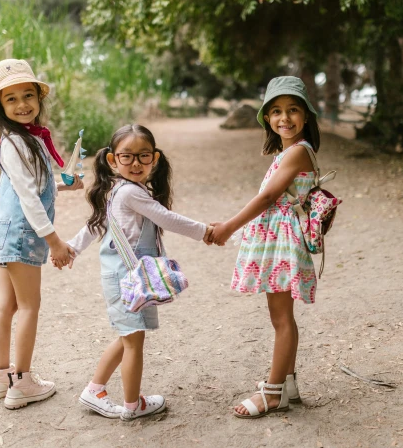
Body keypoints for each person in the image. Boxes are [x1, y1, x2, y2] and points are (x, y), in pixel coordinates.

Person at [66, 124, 213, 421]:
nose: (135, 163)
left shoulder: (120, 191)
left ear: (154, 158)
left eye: (143, 156)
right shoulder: (129, 193)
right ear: (112, 160)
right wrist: (207, 232)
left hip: (126, 277)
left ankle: (95, 390)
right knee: (133, 342)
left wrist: (72, 248)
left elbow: (95, 224)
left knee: (127, 337)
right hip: (126, 278)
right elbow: (167, 219)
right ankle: (132, 406)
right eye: (127, 156)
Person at [209, 76, 321, 418]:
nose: (283, 118)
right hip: (277, 240)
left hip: (282, 242)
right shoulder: (290, 150)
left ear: (305, 117)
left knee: (281, 318)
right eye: (275, 111)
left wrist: (229, 226)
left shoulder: (299, 151)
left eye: (292, 110)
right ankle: (287, 384)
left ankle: (273, 394)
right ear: (267, 118)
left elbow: (269, 196)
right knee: (281, 318)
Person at [0, 59, 83, 410]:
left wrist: (62, 185)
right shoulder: (15, 143)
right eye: (11, 99)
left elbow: (33, 186)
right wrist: (54, 240)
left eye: (28, 95)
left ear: (39, 100)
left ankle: (1, 378)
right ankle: (22, 382)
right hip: (23, 231)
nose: (22, 104)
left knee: (8, 305)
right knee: (28, 306)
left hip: (7, 229)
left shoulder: (26, 139)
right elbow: (28, 197)